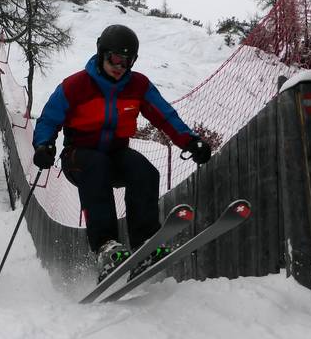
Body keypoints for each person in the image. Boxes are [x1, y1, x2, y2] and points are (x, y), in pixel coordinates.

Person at [32, 23, 211, 282]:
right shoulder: (75, 86)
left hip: (116, 153)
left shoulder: (138, 86)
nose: (120, 66)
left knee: (145, 171)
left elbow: (165, 116)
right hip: (79, 156)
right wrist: (44, 145)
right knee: (97, 166)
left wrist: (191, 142)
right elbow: (49, 119)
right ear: (101, 54)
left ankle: (145, 243)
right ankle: (106, 246)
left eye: (127, 61)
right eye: (115, 59)